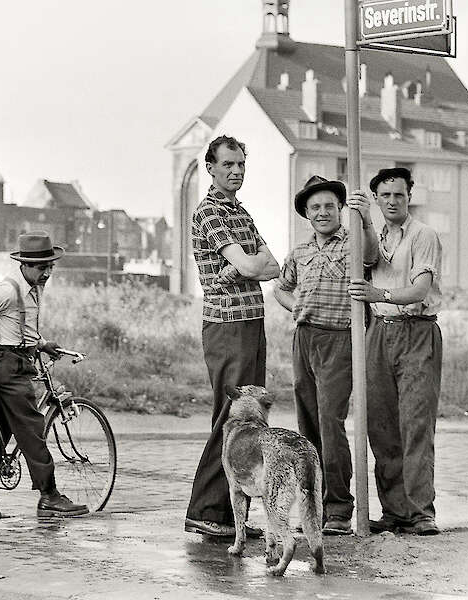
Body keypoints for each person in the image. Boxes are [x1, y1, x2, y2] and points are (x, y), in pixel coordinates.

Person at [0, 231, 88, 519]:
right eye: (41, 267)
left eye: (51, 266)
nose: (47, 272)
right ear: (24, 265)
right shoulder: (7, 291)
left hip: (19, 360)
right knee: (31, 426)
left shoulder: (33, 288)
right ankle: (49, 496)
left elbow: (15, 327)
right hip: (6, 366)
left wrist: (41, 344)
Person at [185, 135, 280, 538]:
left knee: (248, 417)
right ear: (210, 167)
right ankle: (205, 510)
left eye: (241, 164)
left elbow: (272, 266)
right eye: (228, 165)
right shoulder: (209, 211)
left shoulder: (240, 212)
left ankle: (228, 517)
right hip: (226, 325)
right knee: (232, 417)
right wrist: (245, 264)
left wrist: (245, 267)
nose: (236, 171)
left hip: (250, 321)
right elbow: (249, 261)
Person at [273, 175, 378, 535]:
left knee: (330, 422)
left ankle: (338, 508)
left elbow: (370, 255)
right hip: (305, 339)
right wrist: (297, 308)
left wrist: (364, 220)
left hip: (339, 341)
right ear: (306, 212)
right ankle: (312, 505)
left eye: (329, 206)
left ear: (339, 210)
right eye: (315, 207)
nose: (322, 212)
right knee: (308, 424)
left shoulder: (350, 244)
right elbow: (281, 289)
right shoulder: (300, 252)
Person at [347, 167, 443, 536]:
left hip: (417, 331)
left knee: (415, 424)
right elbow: (370, 259)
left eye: (398, 195)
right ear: (376, 199)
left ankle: (421, 512)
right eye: (384, 196)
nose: (392, 201)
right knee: (381, 425)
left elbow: (419, 289)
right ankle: (395, 511)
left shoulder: (424, 235)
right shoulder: (374, 234)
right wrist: (365, 221)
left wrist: (380, 295)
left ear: (409, 197)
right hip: (379, 333)